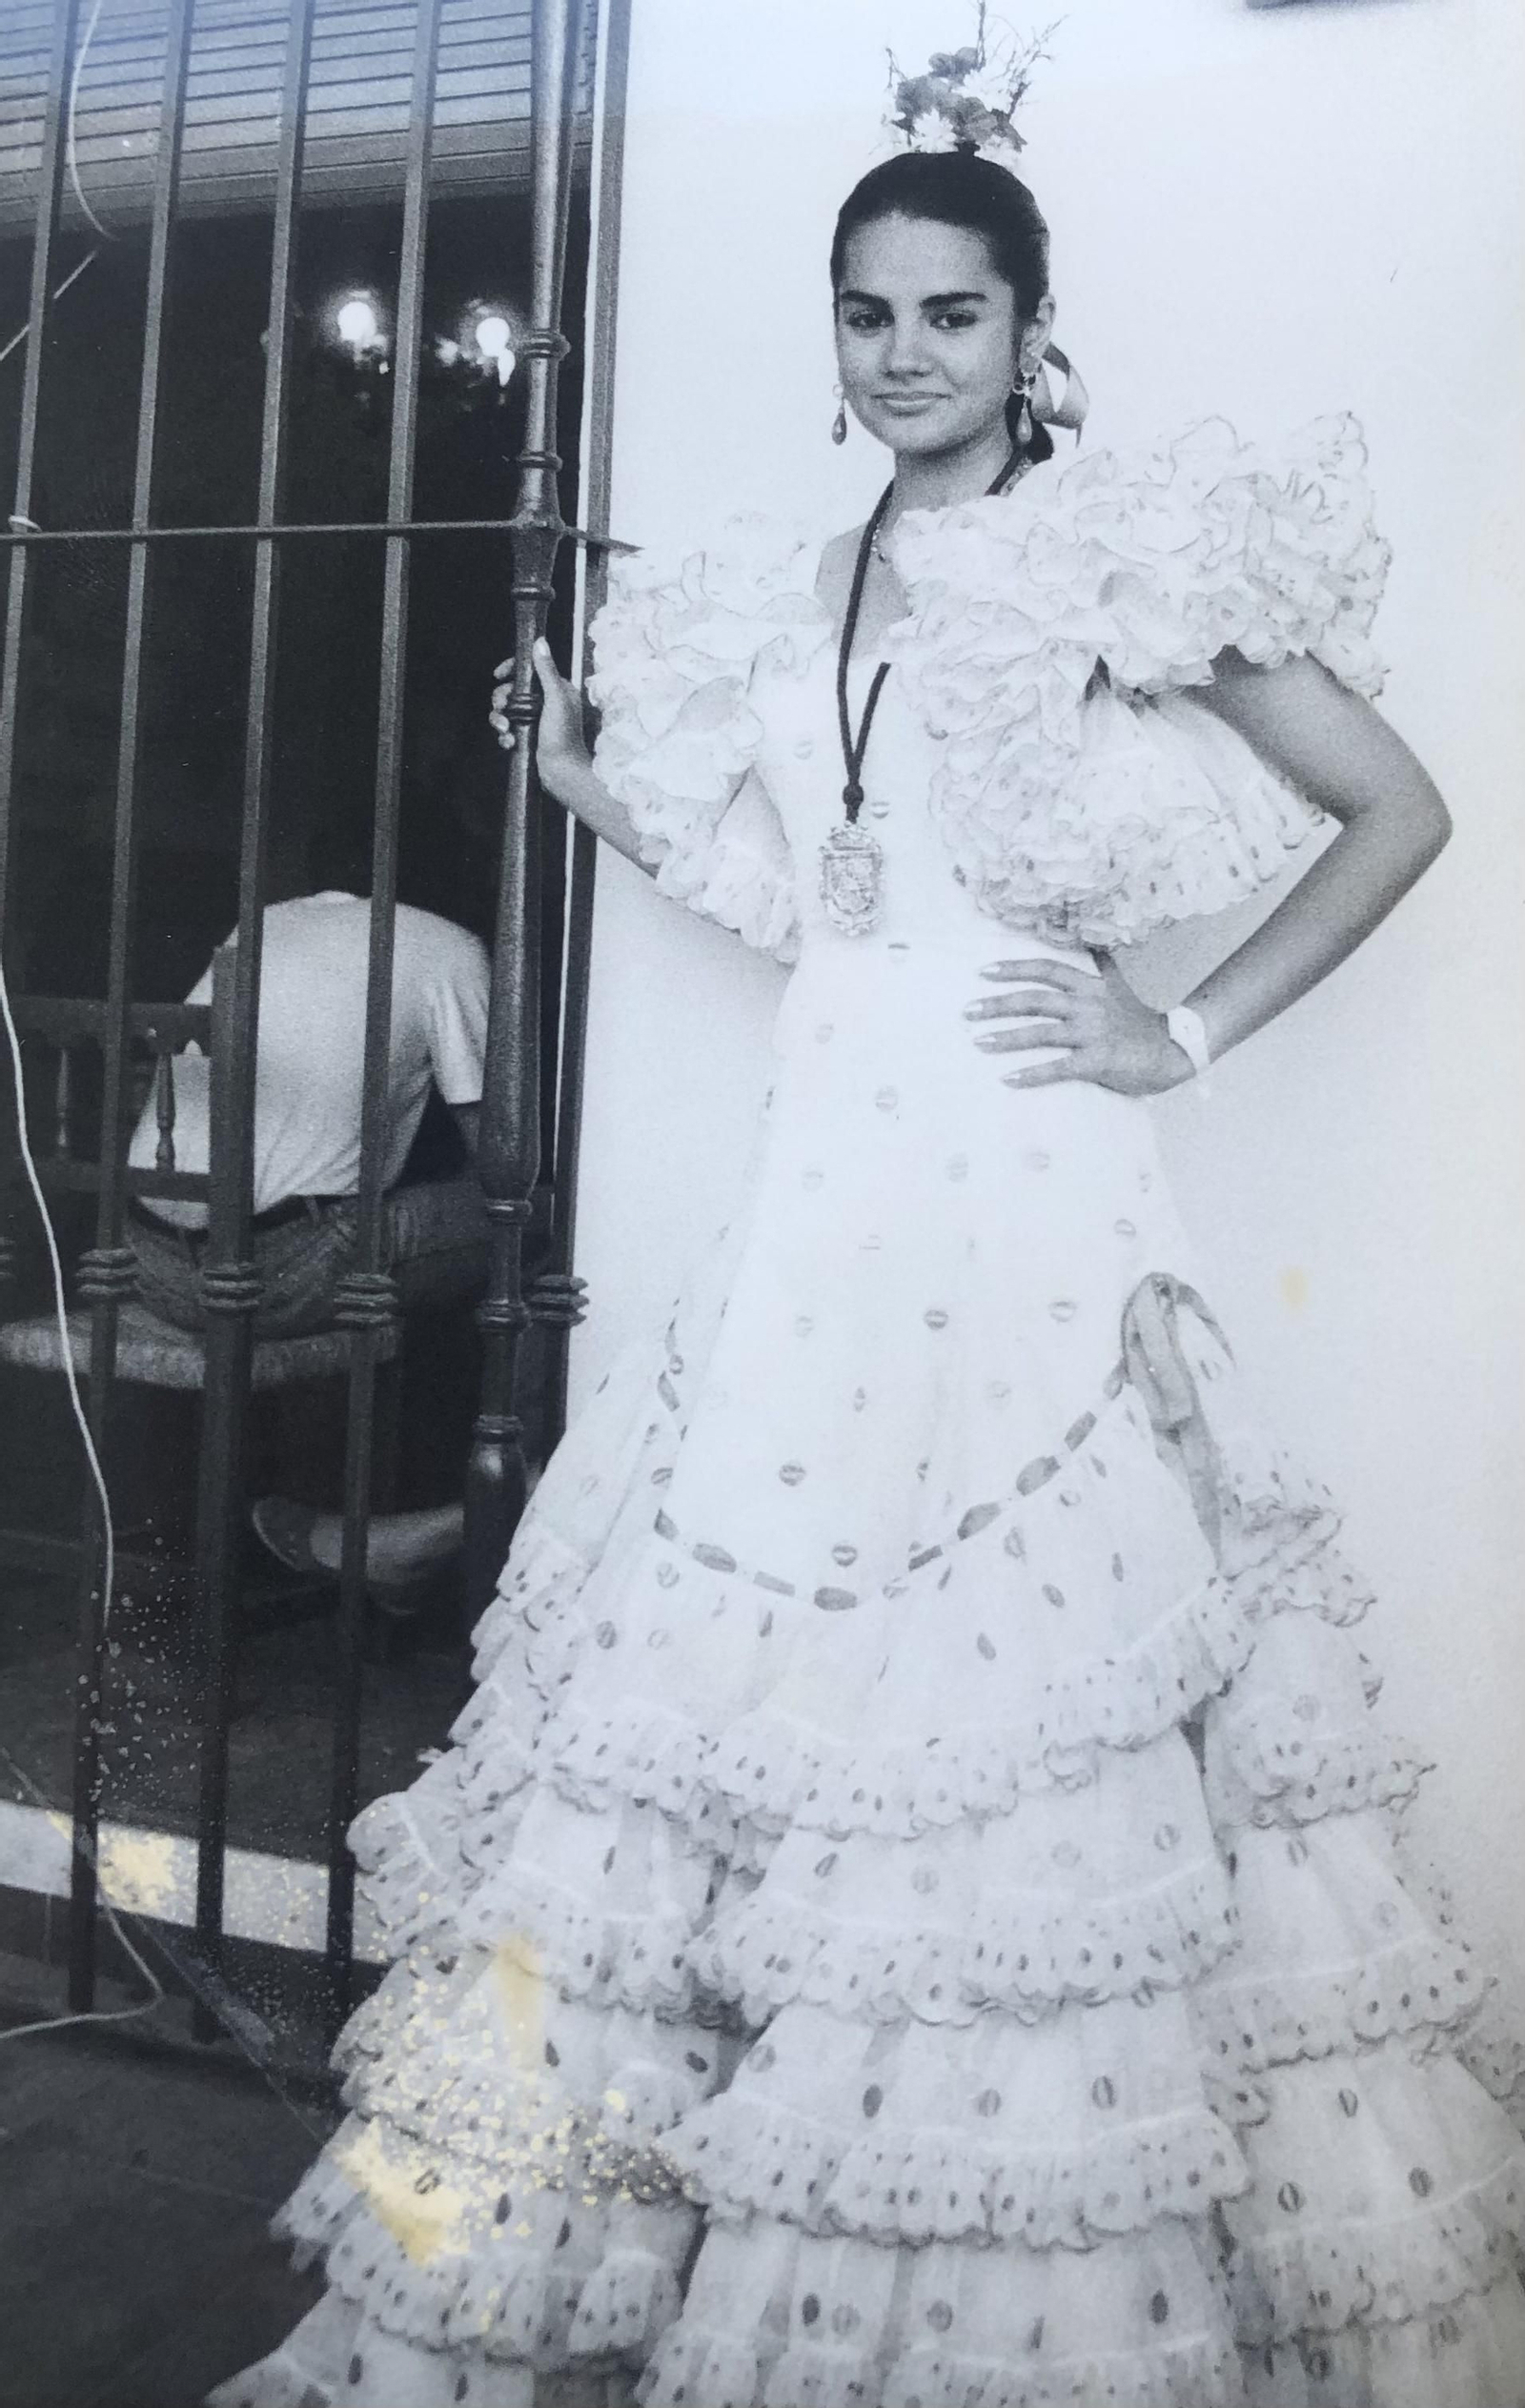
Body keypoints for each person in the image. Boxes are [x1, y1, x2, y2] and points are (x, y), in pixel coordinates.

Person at [211, 117, 1525, 2408]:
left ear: (1029, 340)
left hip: (1019, 1216)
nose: (904, 353)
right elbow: (823, 887)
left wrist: (1175, 1028)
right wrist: (597, 788)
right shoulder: (801, 583)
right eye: (864, 312)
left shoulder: (1120, 551)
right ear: (830, 336)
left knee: (1004, 1751)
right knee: (699, 1740)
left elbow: (1397, 807)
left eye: (951, 312)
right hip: (817, 1215)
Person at [125, 887, 493, 1341]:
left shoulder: (264, 922)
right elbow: (496, 1153)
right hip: (276, 1281)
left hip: (149, 1265)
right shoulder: (451, 945)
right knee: (536, 1221)